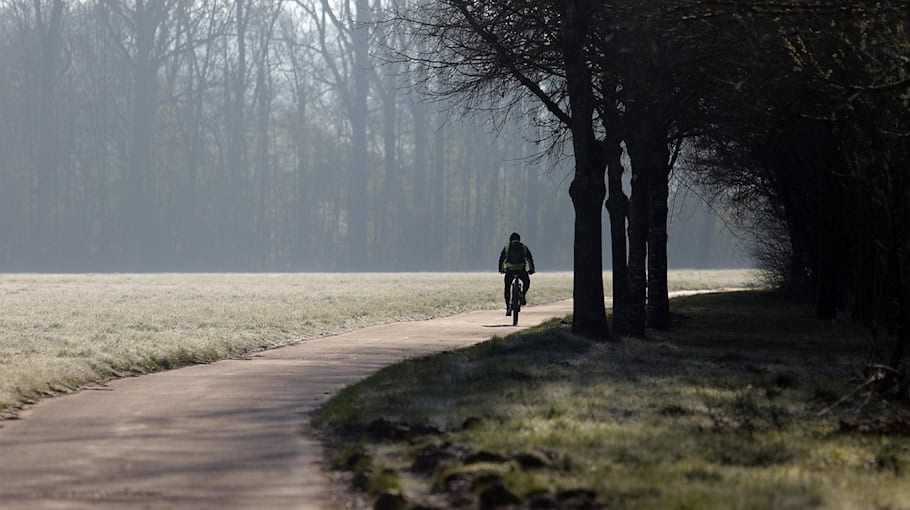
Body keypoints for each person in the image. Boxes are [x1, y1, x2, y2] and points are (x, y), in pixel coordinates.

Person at [498, 232, 536, 316]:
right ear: (519, 239)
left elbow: (502, 258)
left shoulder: (507, 246)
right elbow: (530, 259)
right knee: (526, 282)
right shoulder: (524, 247)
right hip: (521, 270)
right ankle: (522, 294)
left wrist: (501, 269)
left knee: (507, 287)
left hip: (510, 270)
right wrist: (532, 270)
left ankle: (508, 306)